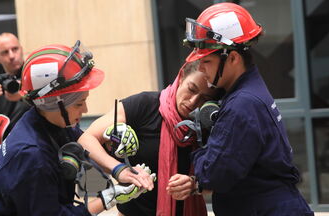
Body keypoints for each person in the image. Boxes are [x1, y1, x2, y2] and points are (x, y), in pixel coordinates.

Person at [0, 41, 155, 216]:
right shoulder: (32, 154)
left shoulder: (45, 120)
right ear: (53, 103)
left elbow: (82, 143)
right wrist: (108, 198)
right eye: (79, 104)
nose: (86, 110)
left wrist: (119, 167)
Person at [168, 2, 314, 216]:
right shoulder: (248, 91)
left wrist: (202, 141)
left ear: (233, 58)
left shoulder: (241, 104)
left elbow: (213, 175)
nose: (200, 68)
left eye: (206, 60)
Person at [78, 60, 223, 216]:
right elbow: (86, 139)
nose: (193, 101)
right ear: (180, 77)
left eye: (204, 98)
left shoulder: (210, 122)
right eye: (191, 89)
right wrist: (119, 169)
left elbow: (224, 178)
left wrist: (194, 184)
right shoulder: (144, 105)